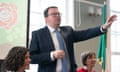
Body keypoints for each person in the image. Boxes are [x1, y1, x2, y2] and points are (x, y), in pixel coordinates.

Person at [29, 6, 116, 72]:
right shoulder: (38, 34)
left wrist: (104, 27)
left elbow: (85, 34)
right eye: (54, 14)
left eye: (59, 14)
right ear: (46, 18)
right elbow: (32, 58)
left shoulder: (67, 30)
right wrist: (51, 55)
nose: (58, 16)